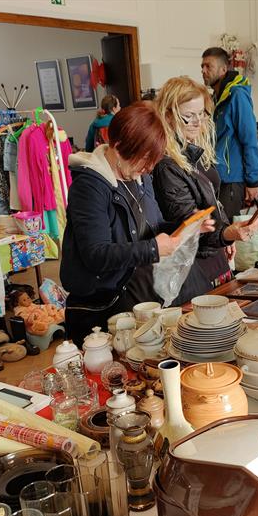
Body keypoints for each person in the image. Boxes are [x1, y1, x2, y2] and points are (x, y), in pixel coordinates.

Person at [61, 102, 214, 346]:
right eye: (143, 159)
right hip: (105, 307)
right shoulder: (89, 187)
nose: (148, 168)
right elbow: (95, 254)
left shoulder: (140, 178)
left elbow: (153, 228)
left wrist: (188, 226)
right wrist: (153, 249)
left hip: (136, 295)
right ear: (118, 146)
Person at [152, 77, 258, 298]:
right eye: (189, 115)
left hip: (211, 254)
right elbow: (188, 225)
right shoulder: (166, 165)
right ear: (168, 115)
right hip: (193, 265)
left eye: (201, 114)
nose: (197, 122)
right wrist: (226, 234)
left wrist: (226, 232)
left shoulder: (193, 150)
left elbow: (211, 201)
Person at [201, 47, 258, 222]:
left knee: (227, 231)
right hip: (216, 177)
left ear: (223, 69)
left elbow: (250, 139)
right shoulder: (215, 97)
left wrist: (253, 181)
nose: (203, 71)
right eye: (202, 66)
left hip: (232, 179)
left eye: (208, 66)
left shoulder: (237, 95)